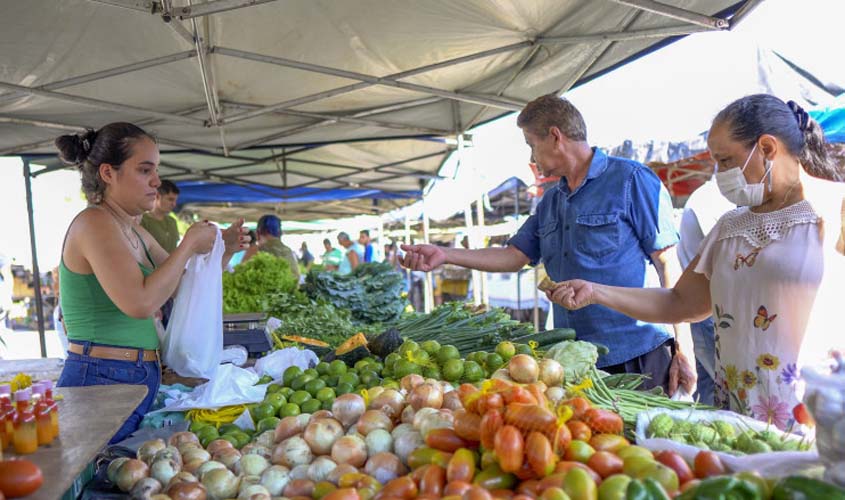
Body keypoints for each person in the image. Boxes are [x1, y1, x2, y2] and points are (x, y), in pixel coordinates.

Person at [550, 95, 845, 426]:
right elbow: (680, 302)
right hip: (738, 416)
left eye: (726, 160)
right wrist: (596, 292)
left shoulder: (836, 208)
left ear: (766, 148)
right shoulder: (730, 227)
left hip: (818, 413)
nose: (719, 173)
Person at [401, 94, 695, 394]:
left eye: (531, 145)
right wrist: (445, 254)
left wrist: (684, 348)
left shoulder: (631, 180)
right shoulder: (551, 200)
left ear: (555, 137)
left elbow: (667, 262)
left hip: (639, 353)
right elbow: (514, 256)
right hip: (573, 361)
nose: (531, 158)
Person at [54, 123, 248, 443]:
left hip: (132, 376)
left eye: (155, 170)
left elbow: (180, 286)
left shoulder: (134, 231)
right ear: (108, 173)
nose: (156, 182)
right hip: (101, 378)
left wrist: (219, 253)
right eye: (145, 170)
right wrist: (187, 246)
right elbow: (140, 303)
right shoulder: (94, 223)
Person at [677, 179, 735, 405]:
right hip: (709, 315)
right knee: (722, 391)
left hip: (708, 313)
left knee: (709, 390)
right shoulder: (713, 199)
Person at [242, 215, 301, 283]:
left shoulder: (255, 250)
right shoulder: (288, 251)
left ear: (258, 233)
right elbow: (296, 278)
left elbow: (241, 275)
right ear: (279, 233)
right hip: (289, 292)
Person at [140, 180, 181, 253]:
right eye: (170, 199)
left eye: (175, 200)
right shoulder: (142, 221)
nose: (174, 204)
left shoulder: (172, 221)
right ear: (157, 196)